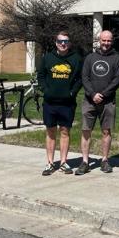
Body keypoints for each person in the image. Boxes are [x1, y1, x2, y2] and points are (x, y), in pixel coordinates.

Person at [77, 29, 119, 175]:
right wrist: (92, 94)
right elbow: (85, 77)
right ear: (99, 40)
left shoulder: (117, 58)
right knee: (86, 131)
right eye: (104, 40)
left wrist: (103, 95)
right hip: (89, 101)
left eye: (109, 40)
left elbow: (117, 79)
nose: (106, 43)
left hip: (108, 101)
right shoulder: (90, 57)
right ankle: (85, 162)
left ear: (112, 41)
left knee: (106, 131)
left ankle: (104, 160)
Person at [37, 30, 83, 176]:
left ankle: (63, 162)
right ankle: (50, 163)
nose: (63, 44)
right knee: (50, 131)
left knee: (65, 131)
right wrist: (45, 90)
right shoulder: (47, 58)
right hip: (50, 102)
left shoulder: (76, 58)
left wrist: (72, 92)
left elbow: (80, 78)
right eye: (60, 41)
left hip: (67, 103)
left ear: (69, 43)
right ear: (56, 43)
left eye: (65, 41)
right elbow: (41, 76)